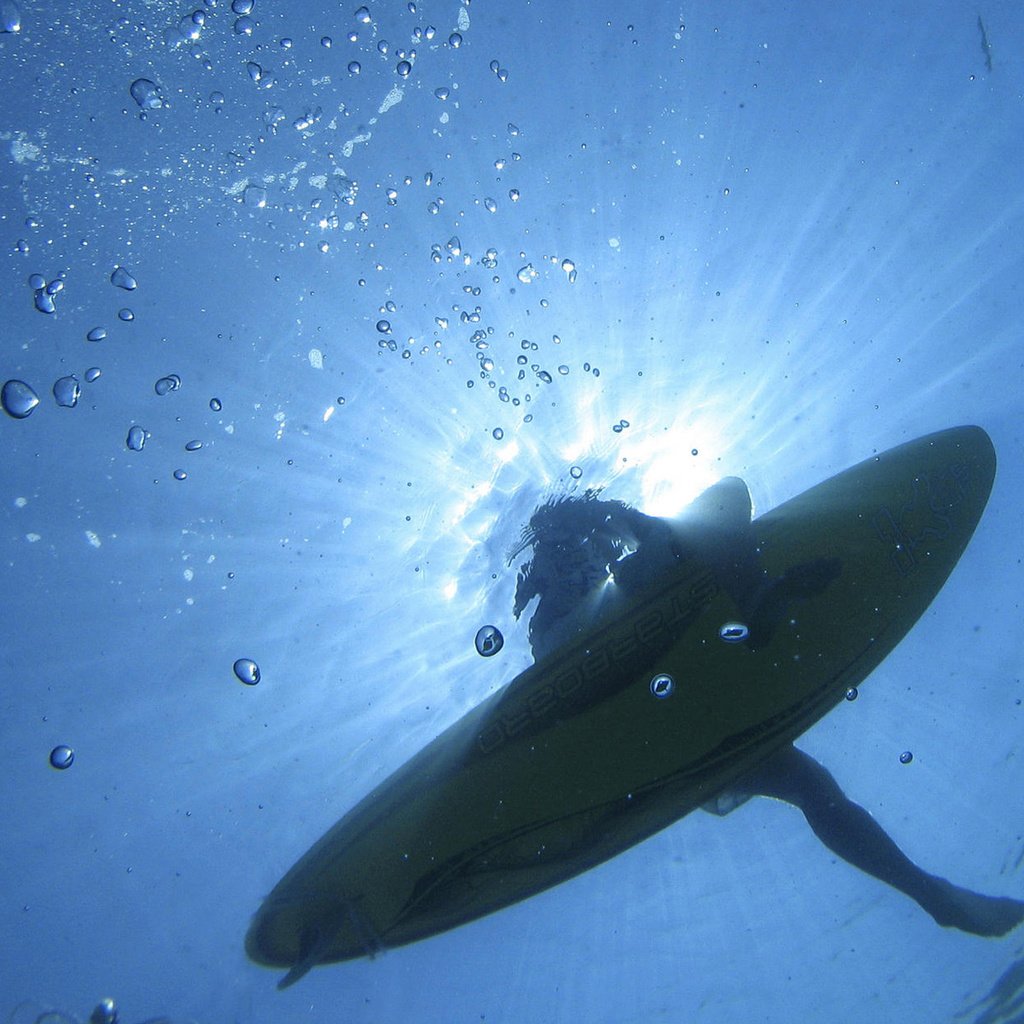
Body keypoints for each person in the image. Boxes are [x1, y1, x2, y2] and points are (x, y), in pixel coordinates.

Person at [508, 479, 1024, 938]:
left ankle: (932, 894)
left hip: (661, 703)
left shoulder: (572, 564)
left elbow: (638, 545)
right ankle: (755, 598)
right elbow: (642, 534)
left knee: (810, 785)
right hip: (591, 665)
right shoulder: (564, 539)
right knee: (721, 500)